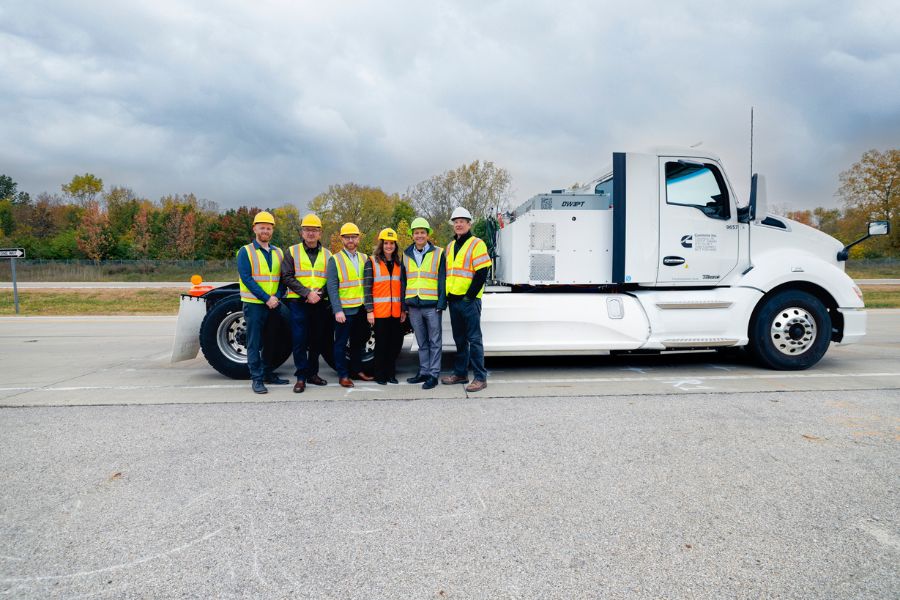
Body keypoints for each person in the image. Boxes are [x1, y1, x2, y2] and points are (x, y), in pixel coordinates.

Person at [237, 211, 289, 394]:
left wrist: (277, 297)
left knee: (271, 341)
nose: (265, 230)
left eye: (268, 228)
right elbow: (247, 279)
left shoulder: (278, 252)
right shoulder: (245, 251)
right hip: (255, 305)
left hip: (274, 304)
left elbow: (283, 277)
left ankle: (268, 373)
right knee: (254, 342)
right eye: (262, 227)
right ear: (255, 229)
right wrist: (267, 298)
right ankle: (257, 379)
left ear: (272, 230)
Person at [441, 207, 492, 392]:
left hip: (468, 301)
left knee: (474, 339)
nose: (458, 224)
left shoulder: (476, 244)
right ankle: (461, 373)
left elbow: (482, 272)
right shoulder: (450, 246)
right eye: (455, 221)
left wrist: (470, 296)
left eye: (462, 221)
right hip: (454, 301)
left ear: (469, 223)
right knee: (460, 340)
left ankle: (480, 377)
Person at [280, 213, 332, 393]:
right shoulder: (292, 251)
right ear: (302, 232)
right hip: (299, 302)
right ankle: (301, 377)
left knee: (317, 340)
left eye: (315, 230)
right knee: (300, 340)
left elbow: (332, 279)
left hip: (319, 302)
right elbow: (286, 276)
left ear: (320, 233)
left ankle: (313, 374)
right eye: (307, 230)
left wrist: (320, 294)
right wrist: (306, 293)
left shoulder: (327, 254)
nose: (311, 233)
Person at [326, 222, 374, 387]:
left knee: (358, 342)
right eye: (347, 237)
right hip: (344, 311)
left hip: (360, 309)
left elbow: (368, 285)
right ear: (342, 239)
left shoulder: (364, 258)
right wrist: (337, 310)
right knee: (340, 344)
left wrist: (369, 308)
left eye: (354, 237)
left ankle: (357, 370)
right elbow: (331, 287)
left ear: (358, 238)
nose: (351, 240)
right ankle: (343, 375)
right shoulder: (335, 260)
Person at [402, 217, 446, 390]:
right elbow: (403, 281)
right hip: (414, 306)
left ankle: (434, 374)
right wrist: (404, 305)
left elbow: (442, 279)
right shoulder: (405, 254)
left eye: (422, 232)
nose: (419, 235)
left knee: (435, 341)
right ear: (412, 235)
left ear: (428, 235)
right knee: (421, 342)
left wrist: (441, 303)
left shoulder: (438, 253)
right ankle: (424, 372)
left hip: (432, 306)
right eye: (416, 233)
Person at [364, 228, 407, 385]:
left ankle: (391, 374)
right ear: (381, 244)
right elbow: (367, 287)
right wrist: (369, 310)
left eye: (392, 243)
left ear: (395, 245)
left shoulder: (398, 263)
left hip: (395, 313)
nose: (389, 246)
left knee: (394, 345)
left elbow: (402, 289)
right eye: (386, 243)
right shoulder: (372, 262)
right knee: (381, 346)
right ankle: (380, 375)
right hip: (379, 313)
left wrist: (403, 309)